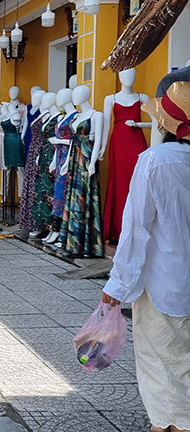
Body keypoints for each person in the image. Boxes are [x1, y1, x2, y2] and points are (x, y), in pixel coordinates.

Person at [101, 81, 190, 432]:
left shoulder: (154, 160)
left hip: (163, 284)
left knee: (162, 371)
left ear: (165, 123)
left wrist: (117, 285)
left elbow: (136, 229)